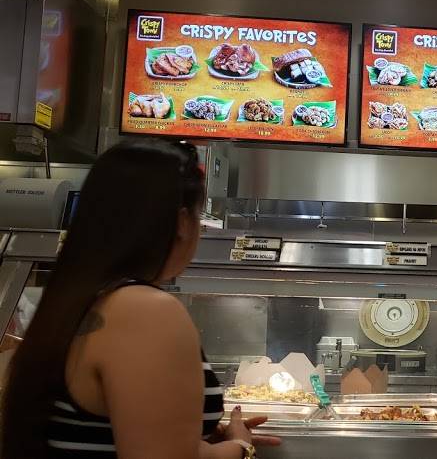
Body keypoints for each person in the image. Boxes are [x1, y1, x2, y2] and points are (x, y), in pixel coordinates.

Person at [1, 139, 280, 458]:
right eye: (199, 216)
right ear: (181, 222)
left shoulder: (75, 298)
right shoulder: (145, 310)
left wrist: (186, 431)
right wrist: (241, 446)